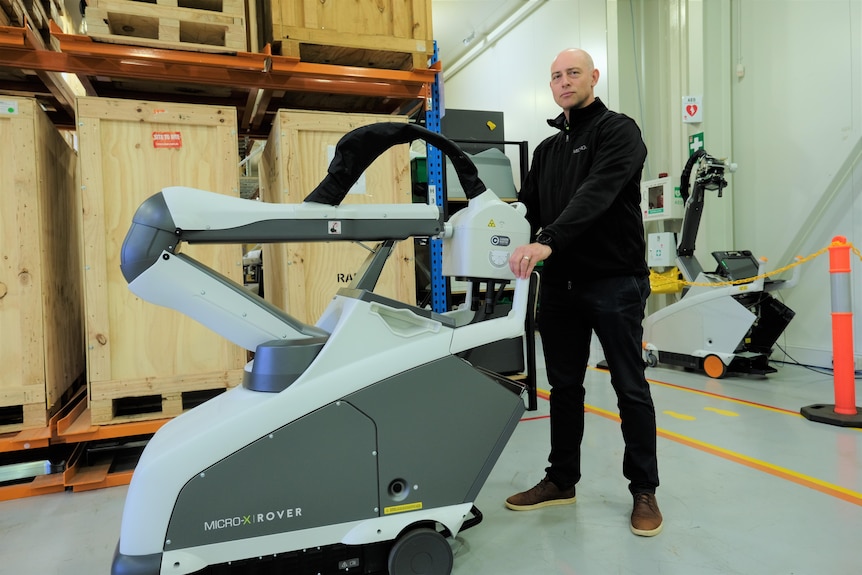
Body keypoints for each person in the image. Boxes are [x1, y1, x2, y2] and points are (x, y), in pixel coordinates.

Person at [505, 48, 662, 536]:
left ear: (594, 77)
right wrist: (488, 219)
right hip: (560, 288)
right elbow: (526, 209)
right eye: (556, 75)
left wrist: (548, 240)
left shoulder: (619, 131)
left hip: (615, 281)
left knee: (628, 386)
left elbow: (596, 193)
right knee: (564, 387)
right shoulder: (548, 150)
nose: (564, 81)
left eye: (573, 73)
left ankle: (644, 490)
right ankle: (561, 480)